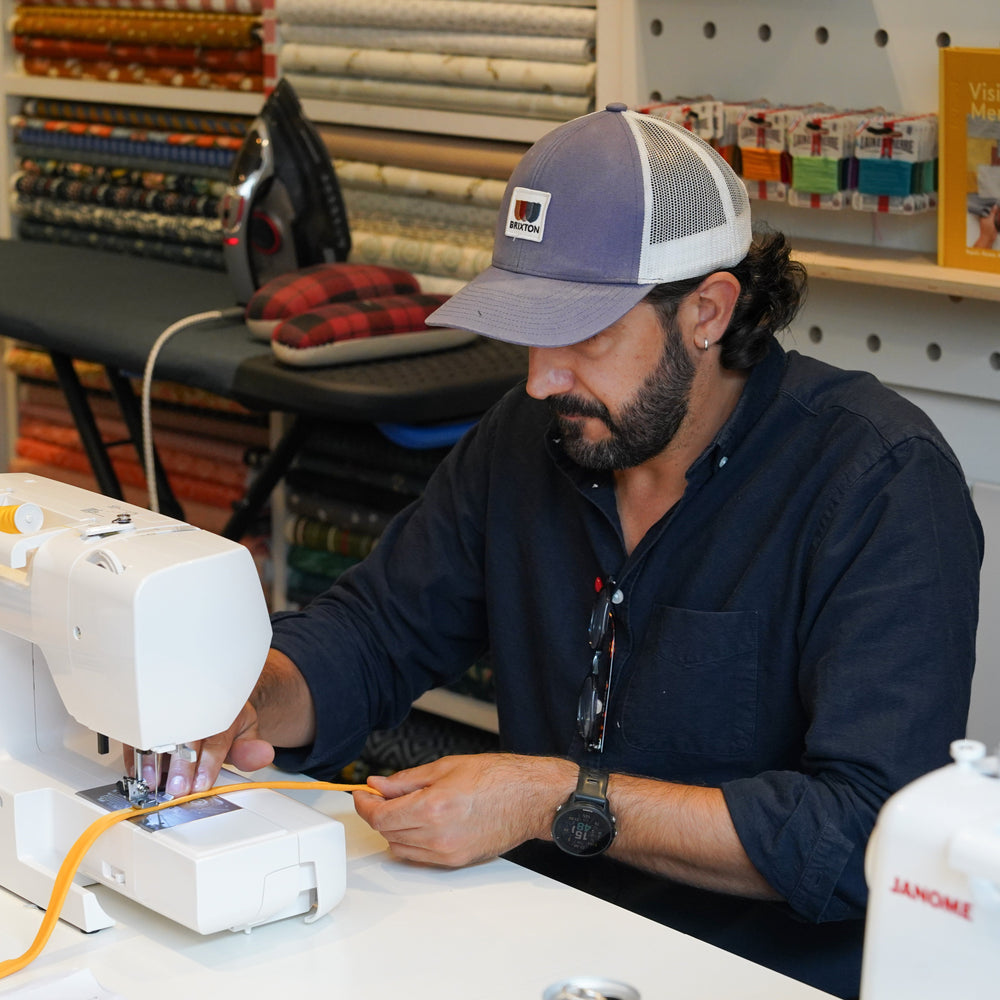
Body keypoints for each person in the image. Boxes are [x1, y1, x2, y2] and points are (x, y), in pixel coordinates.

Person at [165, 105, 983, 998]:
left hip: (753, 975)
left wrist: (556, 798)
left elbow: (862, 832)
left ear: (708, 311)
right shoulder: (530, 438)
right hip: (540, 939)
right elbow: (375, 631)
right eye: (528, 331)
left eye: (585, 336)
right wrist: (250, 698)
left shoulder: (879, 483)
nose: (539, 378)